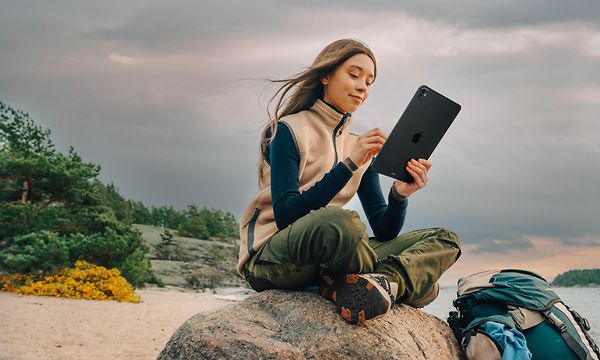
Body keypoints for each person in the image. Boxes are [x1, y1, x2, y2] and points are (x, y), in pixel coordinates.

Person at [237, 38, 461, 324]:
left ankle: (386, 284)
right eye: (354, 75)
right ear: (326, 75)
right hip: (272, 256)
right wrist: (350, 164)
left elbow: (383, 227)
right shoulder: (289, 129)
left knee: (444, 239)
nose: (362, 87)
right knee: (342, 222)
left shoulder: (359, 145)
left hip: (329, 256)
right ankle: (405, 282)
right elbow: (285, 214)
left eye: (369, 82)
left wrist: (399, 195)